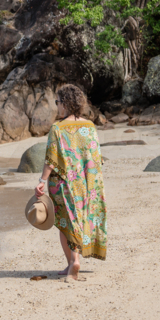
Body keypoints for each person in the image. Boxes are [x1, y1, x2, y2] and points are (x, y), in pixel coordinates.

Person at [34, 84, 107, 281]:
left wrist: (42, 181)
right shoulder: (89, 127)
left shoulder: (58, 128)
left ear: (65, 104)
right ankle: (73, 262)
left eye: (58, 102)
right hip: (86, 182)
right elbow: (95, 157)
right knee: (80, 219)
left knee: (65, 223)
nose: (57, 106)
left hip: (63, 182)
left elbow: (51, 159)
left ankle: (72, 262)